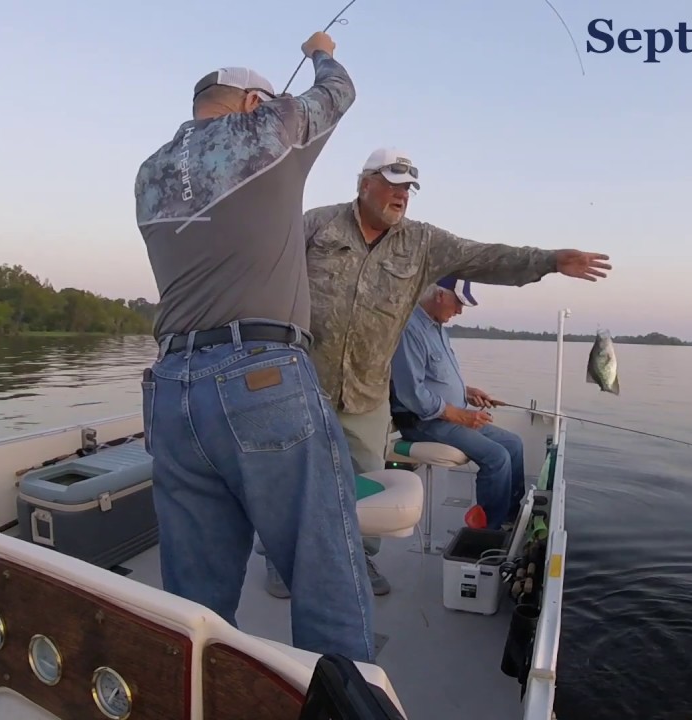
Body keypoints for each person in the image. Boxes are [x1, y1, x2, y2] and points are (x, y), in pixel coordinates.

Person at [261, 146, 611, 598]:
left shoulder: (423, 243)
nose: (401, 194)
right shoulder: (316, 224)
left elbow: (485, 257)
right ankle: (277, 559)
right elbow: (265, 270)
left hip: (367, 397)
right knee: (289, 477)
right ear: (364, 182)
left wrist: (549, 260)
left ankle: (357, 559)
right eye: (391, 183)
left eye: (408, 188)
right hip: (301, 384)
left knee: (363, 485)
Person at [133, 31, 377, 663]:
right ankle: (344, 699)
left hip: (170, 394)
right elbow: (339, 91)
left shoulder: (149, 172)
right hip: (260, 381)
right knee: (326, 572)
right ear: (248, 102)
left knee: (192, 600)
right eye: (267, 99)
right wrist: (322, 50)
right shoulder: (268, 129)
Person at [389, 277, 525, 530]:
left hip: (450, 415)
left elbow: (436, 377)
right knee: (497, 457)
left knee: (514, 444)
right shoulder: (410, 330)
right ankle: (489, 532)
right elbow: (412, 394)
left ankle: (511, 517)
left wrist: (467, 392)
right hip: (423, 422)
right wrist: (461, 415)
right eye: (459, 303)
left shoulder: (438, 327)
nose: (460, 311)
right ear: (440, 295)